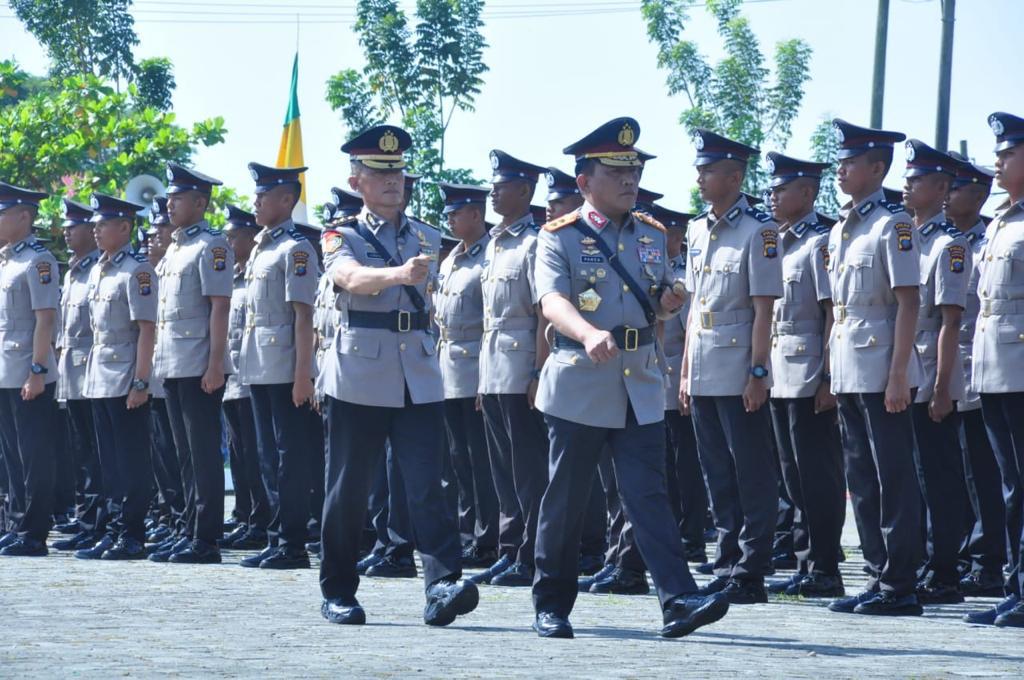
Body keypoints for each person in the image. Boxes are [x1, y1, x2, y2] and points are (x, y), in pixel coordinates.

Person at [531, 117, 730, 639]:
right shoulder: (559, 238)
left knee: (648, 494)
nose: (629, 181)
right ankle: (551, 603)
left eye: (634, 171)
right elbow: (551, 301)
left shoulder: (651, 233)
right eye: (616, 172)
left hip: (639, 382)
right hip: (580, 378)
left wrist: (670, 302)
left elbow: (660, 297)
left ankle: (678, 600)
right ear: (584, 181)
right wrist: (587, 330)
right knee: (567, 498)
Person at [318, 125, 477, 627]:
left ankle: (442, 585)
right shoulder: (339, 235)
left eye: (398, 173)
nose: (393, 182)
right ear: (357, 180)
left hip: (418, 370)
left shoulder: (427, 235)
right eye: (380, 173)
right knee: (349, 487)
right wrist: (397, 276)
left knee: (429, 483)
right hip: (359, 370)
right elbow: (349, 279)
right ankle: (338, 589)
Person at [825, 119, 925, 617]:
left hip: (882, 365)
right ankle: (874, 573)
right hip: (848, 365)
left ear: (877, 168)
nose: (840, 169)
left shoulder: (893, 225)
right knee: (861, 478)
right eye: (839, 161)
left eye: (850, 162)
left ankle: (900, 584)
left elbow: (908, 304)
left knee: (893, 478)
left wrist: (898, 375)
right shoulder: (844, 226)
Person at [681, 129, 782, 605]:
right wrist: (683, 371)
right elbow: (693, 304)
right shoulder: (697, 229)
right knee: (716, 470)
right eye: (699, 169)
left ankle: (751, 568)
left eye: (708, 170)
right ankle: (725, 560)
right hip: (702, 364)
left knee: (751, 470)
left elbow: (765, 309)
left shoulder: (759, 231)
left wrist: (758, 373)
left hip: (740, 364)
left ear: (735, 176)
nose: (699, 177)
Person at [762, 152, 846, 598]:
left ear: (807, 193)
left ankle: (825, 565)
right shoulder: (776, 240)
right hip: (779, 369)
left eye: (780, 189)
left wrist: (829, 377)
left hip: (810, 369)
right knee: (791, 473)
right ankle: (804, 558)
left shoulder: (819, 240)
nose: (771, 196)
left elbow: (832, 313)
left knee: (818, 473)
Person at [471, 149, 551, 588]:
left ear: (525, 190)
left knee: (529, 467)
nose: (493, 192)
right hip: (494, 366)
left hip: (523, 365)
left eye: (502, 186)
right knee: (502, 468)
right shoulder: (495, 242)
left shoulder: (535, 242)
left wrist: (538, 372)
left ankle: (532, 553)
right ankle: (509, 547)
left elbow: (543, 314)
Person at [235, 163, 318, 570]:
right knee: (267, 455)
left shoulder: (296, 249)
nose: (255, 202)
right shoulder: (261, 248)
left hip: (287, 369)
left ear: (287, 200)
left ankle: (293, 543)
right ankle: (275, 536)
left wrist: (303, 375)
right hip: (259, 364)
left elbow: (305, 317)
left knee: (290, 457)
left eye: (262, 196)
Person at [151, 163, 233, 565]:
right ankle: (187, 528)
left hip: (200, 362)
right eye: (170, 196)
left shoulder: (211, 246)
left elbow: (219, 309)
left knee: (202, 453)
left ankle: (206, 538)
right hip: (172, 361)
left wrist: (216, 364)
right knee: (183, 453)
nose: (170, 203)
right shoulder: (175, 247)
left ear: (200, 203)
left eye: (178, 197)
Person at [901, 139, 972, 604]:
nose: (906, 185)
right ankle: (925, 561)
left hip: (931, 374)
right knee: (914, 473)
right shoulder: (907, 238)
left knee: (938, 475)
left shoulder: (949, 245)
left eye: (916, 179)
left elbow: (951, 322)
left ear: (942, 187)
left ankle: (944, 569)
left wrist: (943, 388)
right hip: (906, 370)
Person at [964, 112, 1024, 628]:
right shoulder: (1002, 220)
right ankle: (1015, 585)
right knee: (1011, 484)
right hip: (995, 365)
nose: (997, 163)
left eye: (1007, 155)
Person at [78, 193, 157, 560]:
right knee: (107, 459)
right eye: (94, 224)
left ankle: (132, 533)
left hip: (126, 374)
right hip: (98, 375)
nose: (95, 230)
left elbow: (146, 329)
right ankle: (112, 529)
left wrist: (141, 382)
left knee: (130, 459)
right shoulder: (98, 269)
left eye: (102, 224)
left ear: (124, 227)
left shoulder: (137, 270)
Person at [945, 155, 1006, 598]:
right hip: (949, 367)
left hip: (984, 365)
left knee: (982, 470)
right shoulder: (942, 240)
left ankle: (988, 560)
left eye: (956, 188)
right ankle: (965, 552)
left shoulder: (989, 238)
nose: (947, 196)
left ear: (979, 195)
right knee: (955, 470)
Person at [434, 182, 499, 569]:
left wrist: (484, 378)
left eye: (456, 213)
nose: (450, 220)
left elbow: (492, 319)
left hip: (477, 365)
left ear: (476, 214)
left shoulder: (490, 255)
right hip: (447, 369)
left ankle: (487, 536)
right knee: (457, 459)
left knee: (481, 459)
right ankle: (465, 530)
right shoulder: (451, 260)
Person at [0, 182, 59, 557]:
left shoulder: (40, 261)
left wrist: (37, 369)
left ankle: (35, 531)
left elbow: (45, 319)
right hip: (5, 370)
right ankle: (17, 521)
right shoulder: (7, 260)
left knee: (33, 453)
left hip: (27, 371)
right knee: (12, 454)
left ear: (24, 216)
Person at [652, 204, 709, 566]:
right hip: (659, 380)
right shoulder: (659, 275)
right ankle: (675, 529)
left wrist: (685, 376)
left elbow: (690, 331)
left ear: (674, 237)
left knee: (686, 461)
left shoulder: (681, 279)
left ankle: (692, 535)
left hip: (678, 378)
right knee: (667, 463)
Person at [52, 199, 106, 553]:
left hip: (95, 370)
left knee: (99, 456)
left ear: (91, 230)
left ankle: (101, 522)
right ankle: (88, 522)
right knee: (83, 453)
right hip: (71, 372)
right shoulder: (73, 272)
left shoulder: (97, 269)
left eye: (74, 227)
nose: (66, 233)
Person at [218, 205, 272, 553]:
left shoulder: (254, 275)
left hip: (254, 377)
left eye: (233, 235)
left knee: (256, 454)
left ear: (251, 237)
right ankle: (245, 514)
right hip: (233, 378)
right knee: (239, 454)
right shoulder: (234, 276)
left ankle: (262, 519)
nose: (227, 240)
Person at [141, 196, 185, 548]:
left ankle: (180, 517)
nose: (152, 240)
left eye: (159, 233)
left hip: (175, 368)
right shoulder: (155, 273)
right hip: (159, 371)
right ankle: (168, 514)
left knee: (177, 451)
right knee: (161, 452)